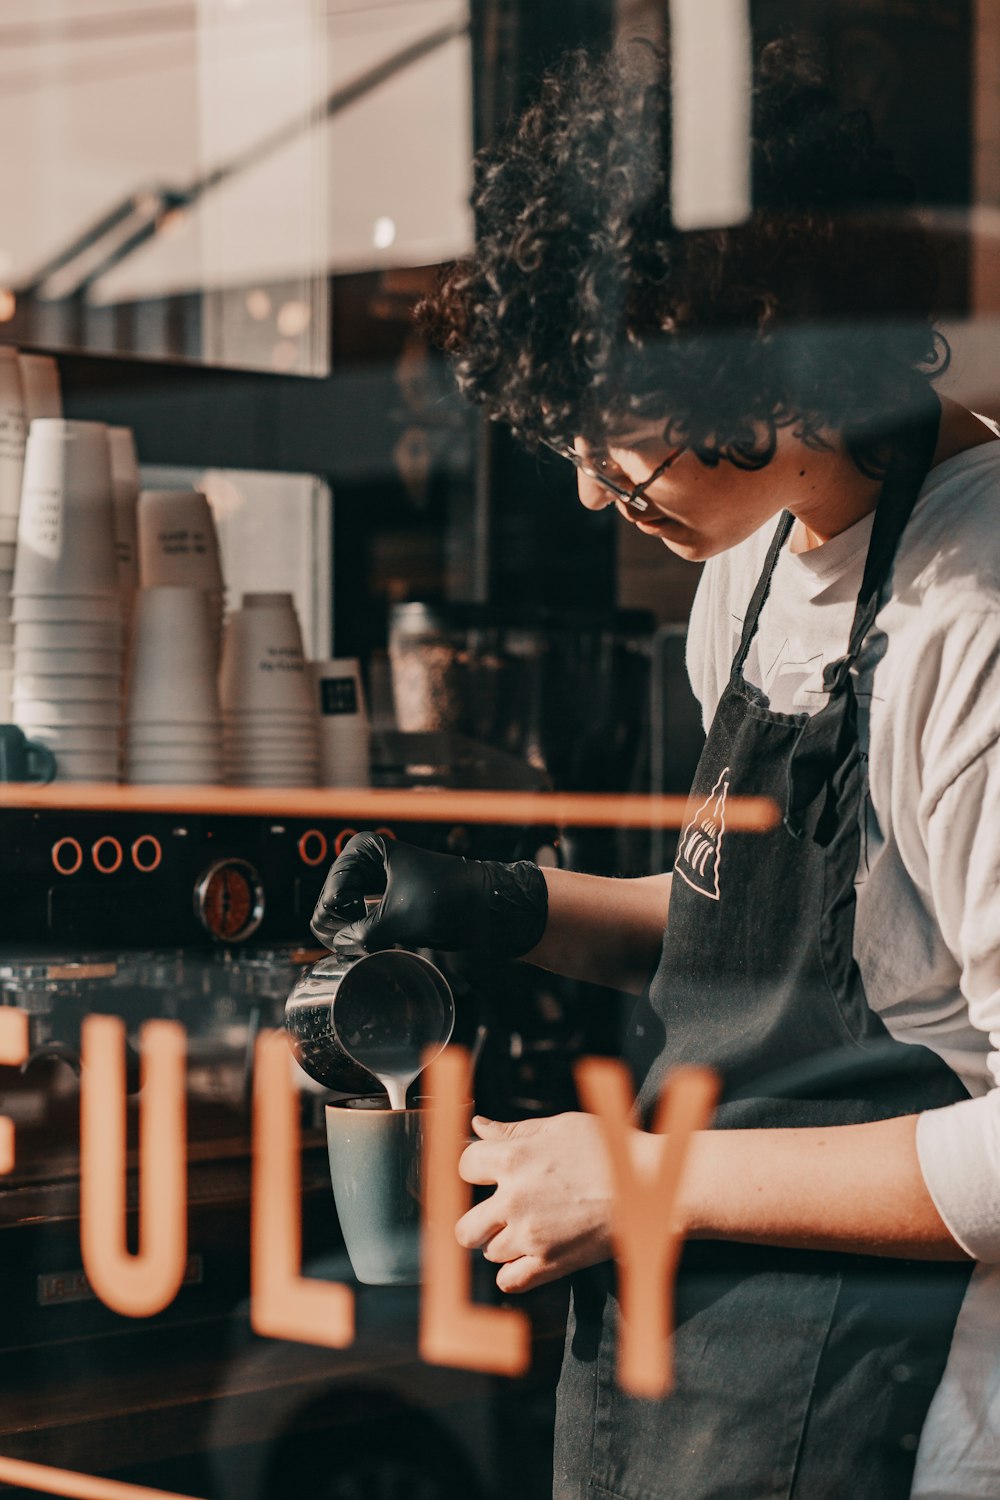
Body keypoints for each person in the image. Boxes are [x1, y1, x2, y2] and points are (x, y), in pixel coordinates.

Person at [311, 39, 1000, 1500]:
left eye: (609, 430)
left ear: (755, 334)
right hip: (697, 1374)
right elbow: (797, 939)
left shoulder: (977, 618)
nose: (585, 487)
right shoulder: (751, 572)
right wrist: (512, 904)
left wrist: (637, 1179)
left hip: (915, 1423)